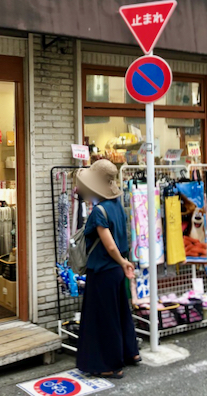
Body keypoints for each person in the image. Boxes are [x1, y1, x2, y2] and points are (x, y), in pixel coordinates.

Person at [75, 159, 140, 379]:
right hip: (116, 271)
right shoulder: (117, 206)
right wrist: (123, 262)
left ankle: (110, 365)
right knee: (121, 313)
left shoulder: (99, 212)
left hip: (103, 270)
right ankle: (131, 353)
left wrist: (121, 262)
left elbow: (109, 245)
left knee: (103, 319)